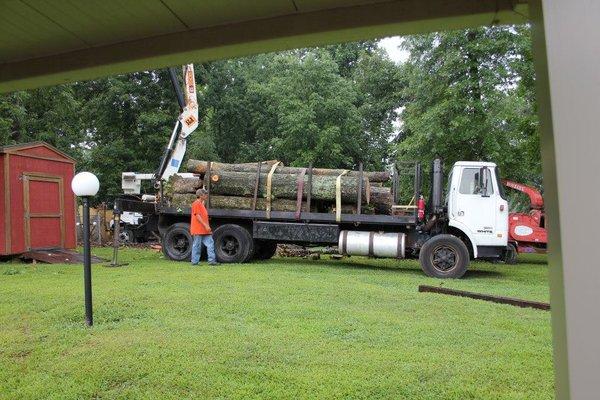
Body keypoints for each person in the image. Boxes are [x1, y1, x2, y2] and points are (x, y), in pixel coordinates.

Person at [190, 188, 218, 266]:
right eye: (205, 194)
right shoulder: (196, 204)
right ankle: (195, 262)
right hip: (198, 229)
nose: (206, 195)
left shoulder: (201, 204)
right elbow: (197, 216)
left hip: (205, 230)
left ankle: (212, 261)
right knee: (197, 245)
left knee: (210, 243)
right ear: (200, 195)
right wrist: (206, 225)